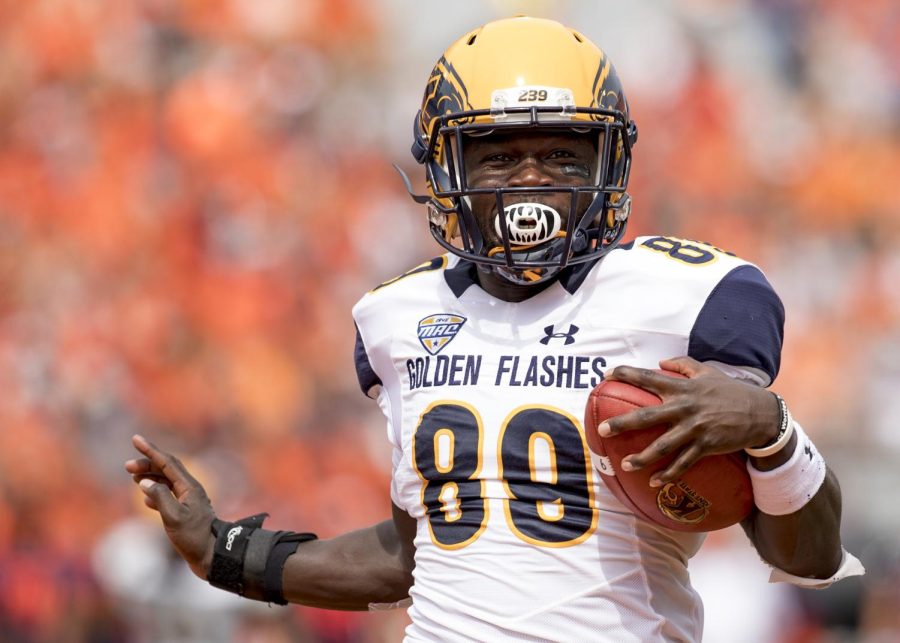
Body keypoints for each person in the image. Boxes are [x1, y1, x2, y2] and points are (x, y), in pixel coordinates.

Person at [126, 16, 864, 641]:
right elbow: (416, 556)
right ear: (447, 168)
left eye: (561, 153)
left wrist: (772, 430)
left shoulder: (691, 298)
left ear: (608, 160)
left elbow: (809, 557)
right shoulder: (400, 319)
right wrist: (226, 551)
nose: (532, 179)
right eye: (502, 155)